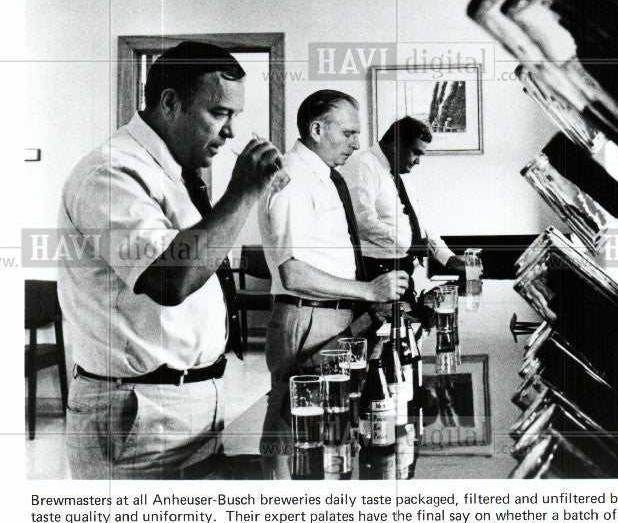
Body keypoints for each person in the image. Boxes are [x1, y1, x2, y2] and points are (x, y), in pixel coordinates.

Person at [58, 40, 289, 478]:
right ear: (170, 103)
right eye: (220, 113)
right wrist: (243, 192)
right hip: (139, 415)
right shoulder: (110, 172)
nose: (230, 132)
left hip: (186, 405)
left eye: (235, 116)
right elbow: (169, 279)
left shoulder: (173, 172)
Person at [258, 89, 408, 474]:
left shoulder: (323, 176)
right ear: (317, 129)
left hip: (333, 317)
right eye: (349, 134)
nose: (357, 145)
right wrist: (368, 291)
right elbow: (292, 272)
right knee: (291, 431)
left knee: (328, 431)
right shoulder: (292, 177)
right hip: (308, 318)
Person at [342, 116, 466, 297]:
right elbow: (362, 223)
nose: (418, 161)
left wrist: (447, 257)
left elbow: (419, 222)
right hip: (375, 274)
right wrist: (410, 244)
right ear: (397, 145)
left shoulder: (400, 171)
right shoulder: (363, 166)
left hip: (402, 272)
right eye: (416, 152)